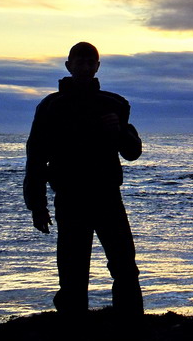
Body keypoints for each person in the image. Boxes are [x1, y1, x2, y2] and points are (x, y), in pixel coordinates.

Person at [23, 41, 144, 318]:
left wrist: (119, 131)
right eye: (80, 62)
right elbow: (36, 156)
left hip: (107, 196)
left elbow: (132, 152)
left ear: (98, 67)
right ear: (69, 66)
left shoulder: (115, 104)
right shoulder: (51, 106)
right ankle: (72, 324)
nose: (86, 67)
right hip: (70, 197)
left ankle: (131, 323)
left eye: (91, 62)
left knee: (124, 263)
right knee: (72, 270)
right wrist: (37, 206)